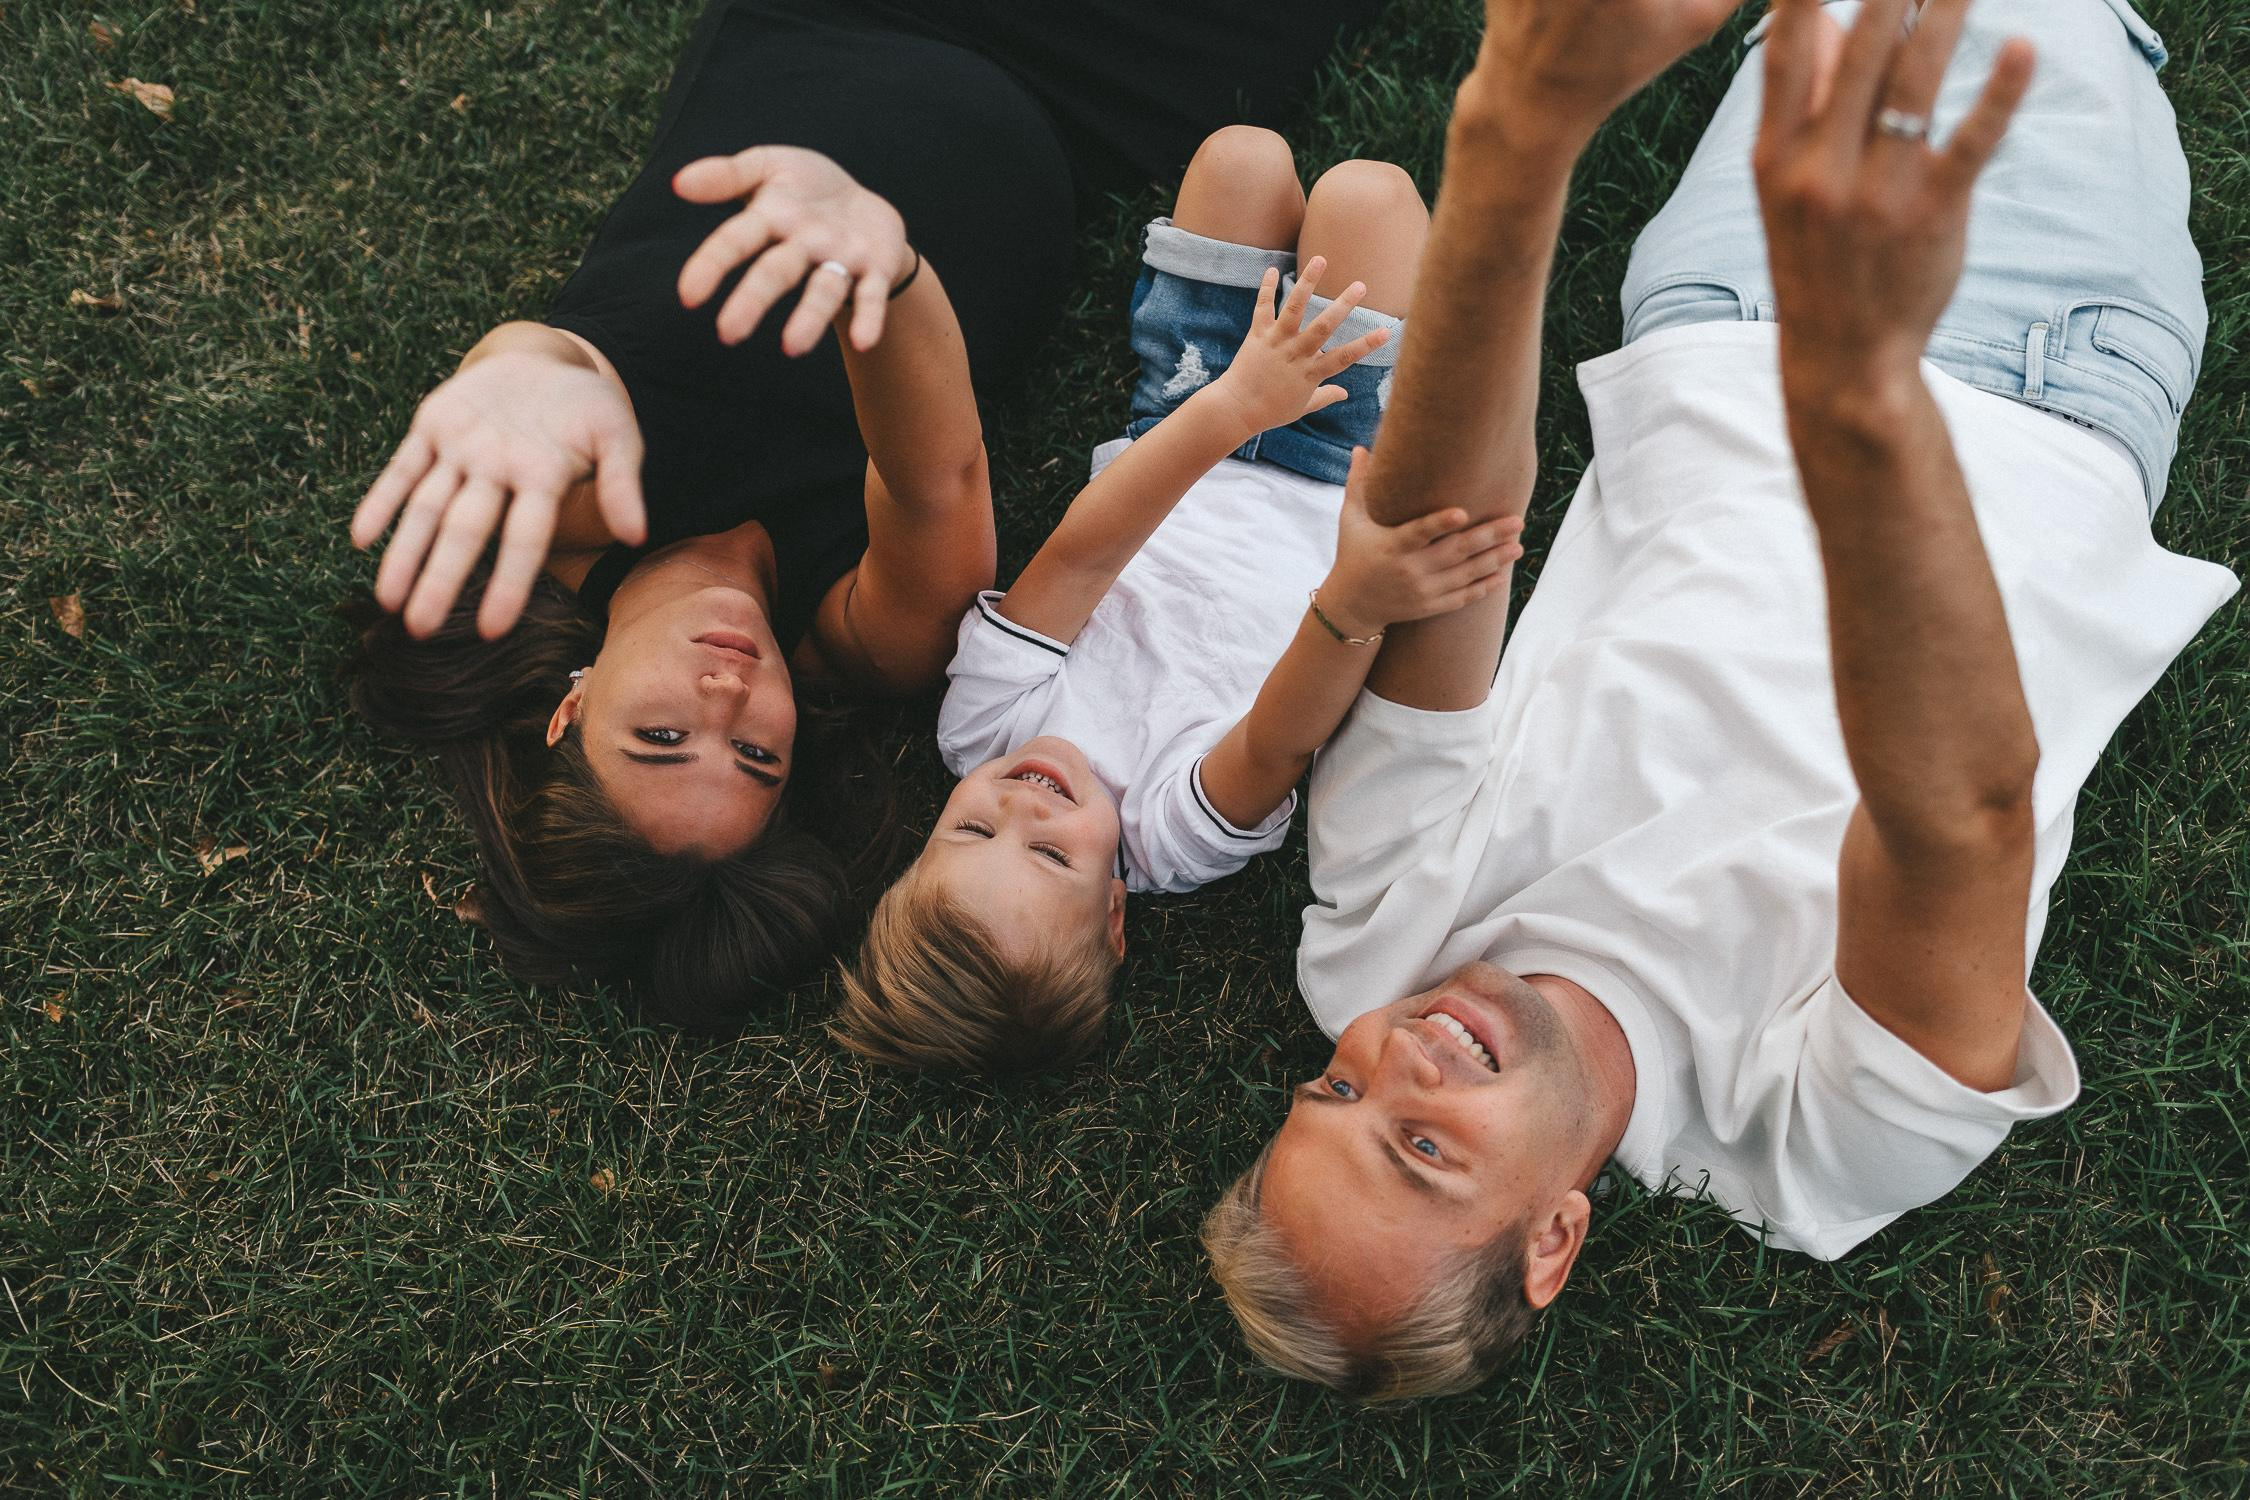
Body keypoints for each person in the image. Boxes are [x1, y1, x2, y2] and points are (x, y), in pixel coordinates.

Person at [1202, 0, 2238, 1399]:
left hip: (1723, 302)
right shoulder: (1810, 1151)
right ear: (1552, 1240)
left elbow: (1448, 541)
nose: (1402, 1059)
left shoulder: (1372, 947)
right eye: (1423, 1147)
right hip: (2039, 373)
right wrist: (1857, 391)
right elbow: (1957, 819)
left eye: (1336, 1089)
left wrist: (1517, 133)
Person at [342, 0, 1386, 1028]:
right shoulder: (867, 639)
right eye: (757, 756)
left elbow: (555, 372)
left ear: (570, 712)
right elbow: (936, 472)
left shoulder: (567, 515)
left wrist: (529, 361)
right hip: (1098, 97)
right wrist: (878, 270)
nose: (727, 696)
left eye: (662, 734)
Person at [833, 128, 1525, 1073]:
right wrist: (1352, 600)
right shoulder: (1171, 839)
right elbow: (1276, 739)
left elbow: (1083, 556)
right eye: (1051, 857)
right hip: (1337, 467)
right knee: (1368, 196)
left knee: (1240, 162)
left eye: (972, 829)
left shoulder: (980, 730)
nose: (1024, 807)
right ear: (1114, 915)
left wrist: (1235, 405)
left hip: (1191, 407)